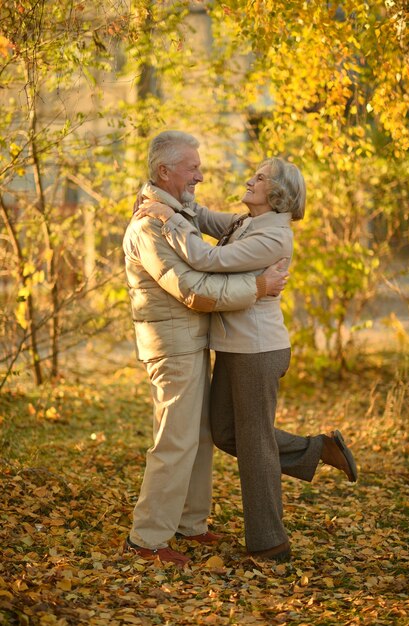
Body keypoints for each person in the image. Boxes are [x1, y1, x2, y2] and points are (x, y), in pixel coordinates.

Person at [136, 156, 358, 563]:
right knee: (224, 433)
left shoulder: (274, 237)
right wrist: (162, 201)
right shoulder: (246, 222)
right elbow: (201, 216)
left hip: (258, 351)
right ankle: (317, 449)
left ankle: (269, 542)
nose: (250, 180)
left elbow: (207, 261)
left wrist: (167, 220)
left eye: (259, 178)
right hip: (233, 349)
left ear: (276, 194)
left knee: (255, 444)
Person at [122, 131, 289, 567]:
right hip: (171, 345)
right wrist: (257, 286)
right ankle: (148, 538)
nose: (200, 174)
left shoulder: (174, 211)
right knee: (173, 441)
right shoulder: (151, 225)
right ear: (165, 171)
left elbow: (204, 217)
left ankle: (189, 524)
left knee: (198, 437)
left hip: (191, 340)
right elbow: (192, 289)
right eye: (192, 167)